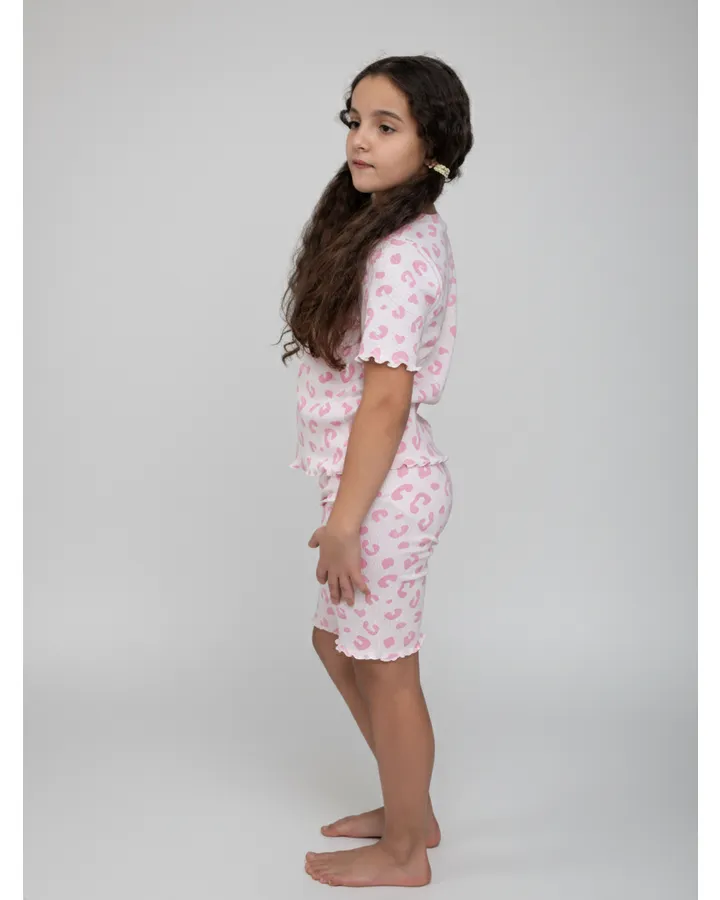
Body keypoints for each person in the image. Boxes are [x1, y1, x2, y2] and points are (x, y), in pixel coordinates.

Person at [277, 54, 473, 888]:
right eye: (355, 120)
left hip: (387, 494)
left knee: (390, 675)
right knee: (335, 644)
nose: (360, 139)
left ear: (432, 147)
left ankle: (405, 852)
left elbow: (386, 401)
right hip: (373, 486)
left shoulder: (401, 255)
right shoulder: (391, 231)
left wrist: (346, 523)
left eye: (386, 126)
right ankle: (409, 809)